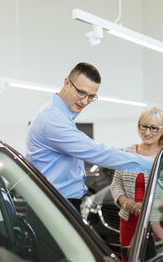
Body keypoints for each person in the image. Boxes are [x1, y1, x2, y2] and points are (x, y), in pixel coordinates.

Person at [26, 62, 154, 212]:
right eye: (81, 92)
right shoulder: (53, 120)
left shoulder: (59, 115)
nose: (85, 101)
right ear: (67, 83)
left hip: (55, 202)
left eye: (91, 96)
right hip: (51, 205)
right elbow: (98, 153)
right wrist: (153, 164)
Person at [110, 106, 163, 262]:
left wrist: (148, 205)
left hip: (158, 222)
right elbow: (115, 184)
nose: (147, 132)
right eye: (143, 126)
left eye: (153, 128)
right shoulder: (128, 152)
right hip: (128, 221)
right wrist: (125, 201)